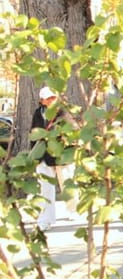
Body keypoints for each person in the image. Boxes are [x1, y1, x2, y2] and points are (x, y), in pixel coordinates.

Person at [30, 86, 73, 229]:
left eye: (53, 97)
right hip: (44, 155)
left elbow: (72, 130)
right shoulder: (38, 113)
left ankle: (73, 210)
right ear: (42, 101)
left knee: (67, 184)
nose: (51, 100)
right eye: (48, 98)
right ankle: (46, 219)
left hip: (62, 154)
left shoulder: (63, 111)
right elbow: (33, 133)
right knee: (46, 188)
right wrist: (35, 155)